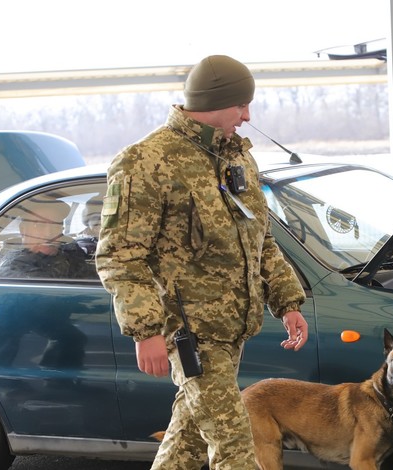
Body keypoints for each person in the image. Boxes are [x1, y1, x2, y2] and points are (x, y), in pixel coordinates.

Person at [95, 54, 308, 470]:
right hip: (190, 334)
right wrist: (145, 331)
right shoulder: (145, 162)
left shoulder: (237, 158)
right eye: (241, 106)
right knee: (234, 443)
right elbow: (120, 256)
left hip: (232, 327)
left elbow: (260, 238)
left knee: (188, 441)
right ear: (216, 101)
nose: (247, 117)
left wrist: (288, 302)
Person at [0, 199, 97, 279]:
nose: (49, 233)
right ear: (23, 230)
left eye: (56, 226)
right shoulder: (12, 268)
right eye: (40, 225)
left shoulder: (70, 251)